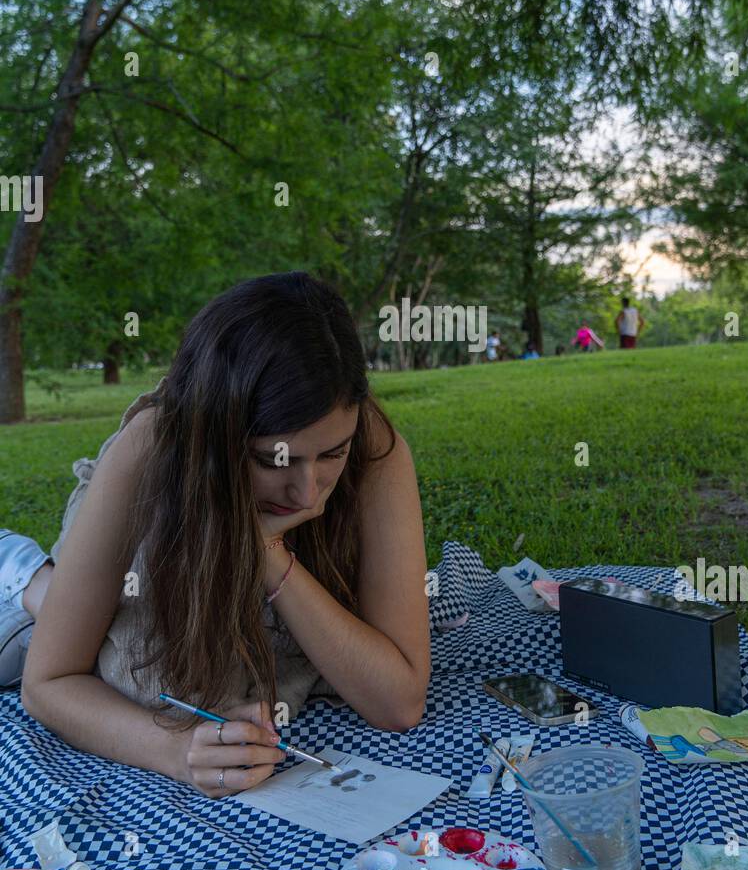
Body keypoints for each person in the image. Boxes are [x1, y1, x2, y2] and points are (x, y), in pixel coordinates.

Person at [0, 272, 430, 798]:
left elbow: (398, 702)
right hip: (130, 567)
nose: (305, 492)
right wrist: (178, 751)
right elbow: (49, 683)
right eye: (274, 459)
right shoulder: (148, 451)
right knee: (102, 651)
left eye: (331, 455)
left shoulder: (373, 449)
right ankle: (22, 572)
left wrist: (268, 552)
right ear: (215, 435)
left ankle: (36, 578)